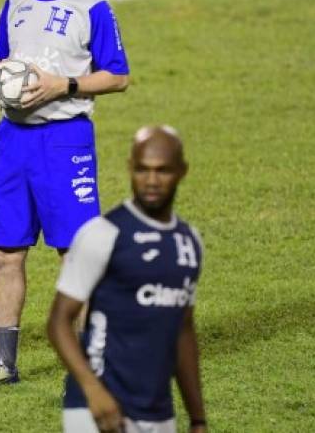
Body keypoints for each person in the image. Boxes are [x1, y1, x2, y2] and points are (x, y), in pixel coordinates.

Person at [0, 0, 130, 389]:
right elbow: (1, 57)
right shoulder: (15, 3)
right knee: (4, 253)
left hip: (64, 143)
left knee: (77, 254)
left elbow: (117, 76)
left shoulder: (92, 8)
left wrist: (65, 85)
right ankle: (3, 363)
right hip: (11, 142)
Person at [47, 126, 208, 433]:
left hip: (158, 410)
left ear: (182, 172)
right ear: (129, 168)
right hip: (98, 408)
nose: (151, 181)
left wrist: (198, 418)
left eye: (162, 171)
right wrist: (93, 391)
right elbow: (58, 323)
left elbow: (183, 330)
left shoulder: (189, 243)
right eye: (142, 170)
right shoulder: (102, 234)